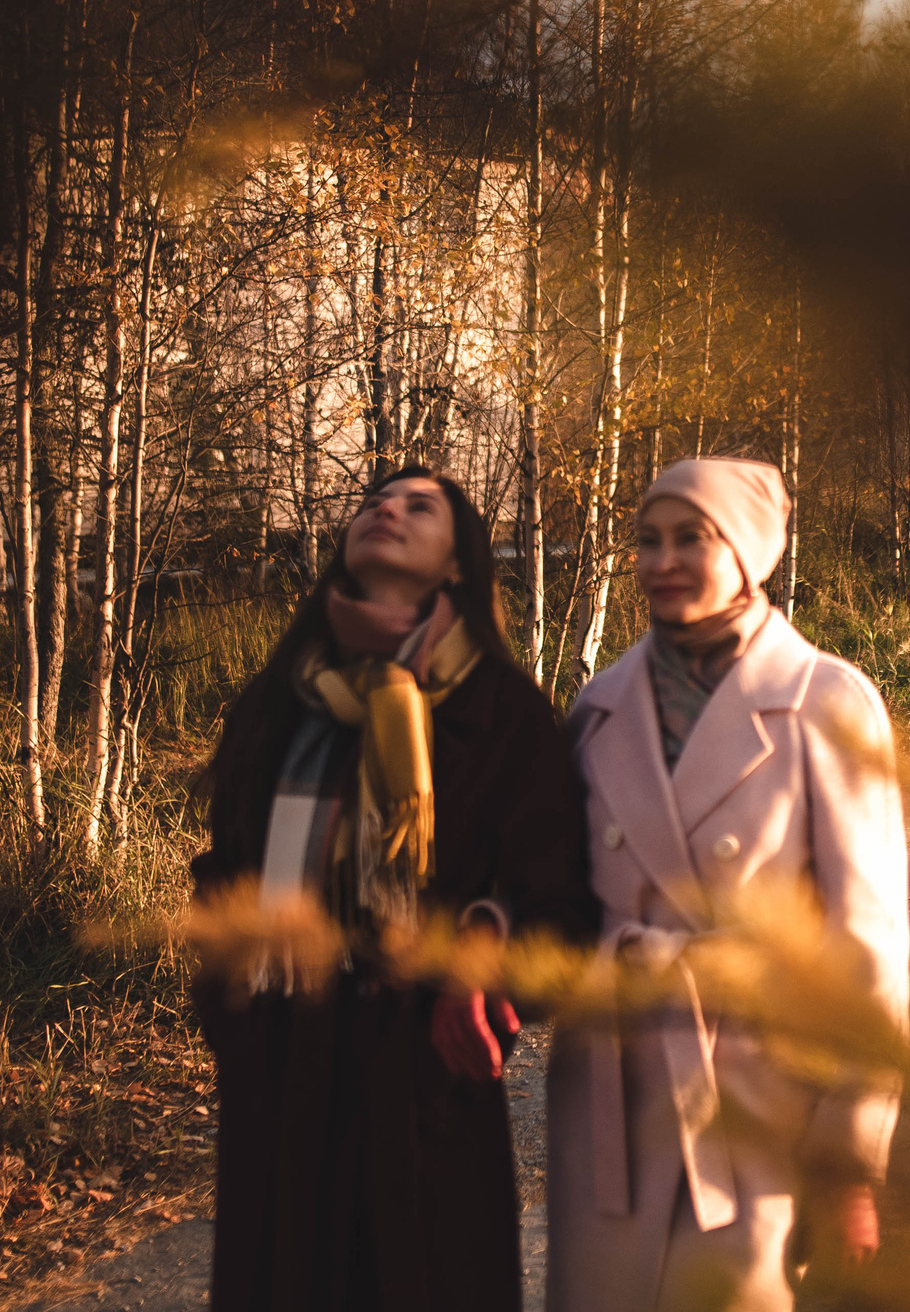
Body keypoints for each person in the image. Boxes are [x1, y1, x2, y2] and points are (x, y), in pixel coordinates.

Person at [190, 464, 598, 1312]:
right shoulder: (278, 699)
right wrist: (228, 1006)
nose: (387, 510)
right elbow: (225, 863)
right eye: (376, 501)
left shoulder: (503, 710)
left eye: (422, 507)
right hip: (283, 1060)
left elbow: (558, 898)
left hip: (417, 1076)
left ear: (457, 564)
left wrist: (486, 948)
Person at [548, 456, 910, 1312]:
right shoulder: (597, 709)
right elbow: (550, 892)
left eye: (690, 538)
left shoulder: (825, 702)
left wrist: (852, 1152)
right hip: (612, 1090)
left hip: (759, 1095)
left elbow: (869, 946)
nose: (661, 560)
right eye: (647, 540)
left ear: (748, 553)